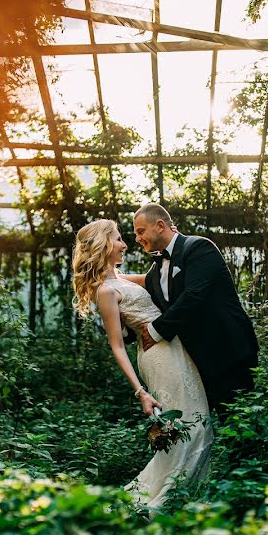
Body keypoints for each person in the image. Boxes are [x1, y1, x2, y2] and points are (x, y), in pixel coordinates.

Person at [72, 219, 212, 512]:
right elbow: (117, 345)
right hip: (158, 357)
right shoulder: (106, 291)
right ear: (104, 244)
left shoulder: (121, 279)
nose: (125, 244)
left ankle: (190, 497)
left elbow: (158, 280)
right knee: (190, 425)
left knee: (198, 421)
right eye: (120, 238)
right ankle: (169, 501)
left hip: (174, 349)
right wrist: (141, 392)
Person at [131, 203, 258, 420]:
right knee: (213, 426)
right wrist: (107, 278)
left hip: (229, 354)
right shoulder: (158, 266)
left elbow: (193, 297)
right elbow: (144, 283)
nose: (137, 238)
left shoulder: (199, 248)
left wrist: (155, 331)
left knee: (242, 424)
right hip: (200, 360)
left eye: (140, 231)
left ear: (160, 225)